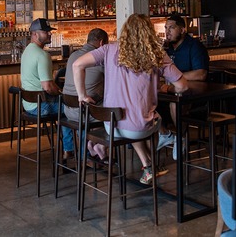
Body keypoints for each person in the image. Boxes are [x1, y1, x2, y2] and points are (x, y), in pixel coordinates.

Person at [73, 14, 190, 185]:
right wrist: (166, 87)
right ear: (149, 33)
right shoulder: (158, 55)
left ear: (125, 31)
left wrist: (82, 95)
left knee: (133, 118)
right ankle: (155, 156)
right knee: (151, 119)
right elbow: (183, 86)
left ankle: (143, 163)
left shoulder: (109, 50)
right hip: (138, 127)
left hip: (111, 124)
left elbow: (77, 65)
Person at [20, 18, 74, 159]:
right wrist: (62, 93)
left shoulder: (27, 51)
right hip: (40, 106)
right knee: (74, 109)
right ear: (35, 34)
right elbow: (48, 87)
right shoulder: (42, 55)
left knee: (65, 107)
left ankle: (70, 149)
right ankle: (79, 153)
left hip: (28, 104)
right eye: (46, 32)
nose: (49, 34)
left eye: (49, 32)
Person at [158, 14, 210, 159]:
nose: (167, 32)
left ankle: (181, 138)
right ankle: (164, 133)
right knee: (145, 97)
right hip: (172, 90)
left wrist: (175, 77)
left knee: (176, 103)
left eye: (172, 28)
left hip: (195, 94)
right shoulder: (167, 49)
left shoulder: (194, 46)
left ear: (182, 30)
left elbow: (201, 74)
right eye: (166, 28)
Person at [62, 28, 109, 122]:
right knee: (118, 111)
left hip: (67, 111)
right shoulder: (100, 59)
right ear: (102, 43)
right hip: (86, 112)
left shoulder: (73, 55)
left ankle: (75, 137)